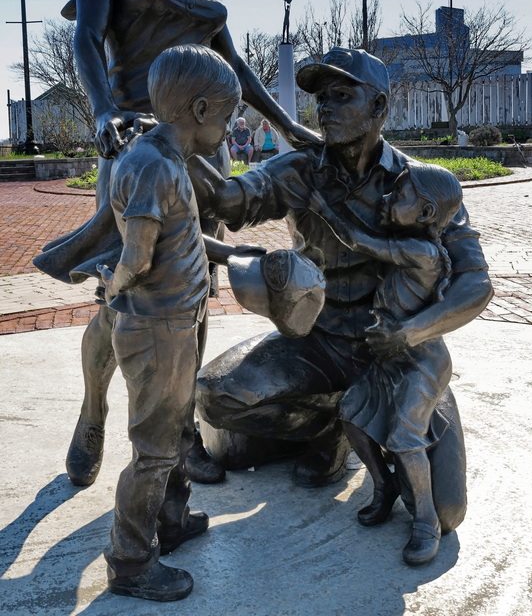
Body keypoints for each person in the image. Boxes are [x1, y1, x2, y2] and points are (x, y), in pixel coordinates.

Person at [33, 0, 318, 490]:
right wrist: (103, 109)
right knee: (121, 296)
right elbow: (85, 35)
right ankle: (94, 410)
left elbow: (235, 66)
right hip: (133, 145)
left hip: (198, 152)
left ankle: (179, 430)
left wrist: (290, 130)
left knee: (191, 298)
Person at [189, 47, 493, 541]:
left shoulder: (423, 185)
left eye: (341, 95)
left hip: (401, 357)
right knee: (217, 398)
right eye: (321, 98)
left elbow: (476, 283)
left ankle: (373, 419)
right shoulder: (299, 170)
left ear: (378, 107)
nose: (325, 107)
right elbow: (229, 199)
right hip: (320, 342)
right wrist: (172, 146)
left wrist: (411, 333)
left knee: (447, 510)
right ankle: (331, 428)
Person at [98, 44, 263, 601]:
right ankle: (129, 560)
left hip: (181, 319)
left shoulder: (171, 162)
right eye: (228, 112)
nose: (232, 125)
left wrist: (237, 254)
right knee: (155, 446)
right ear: (199, 111)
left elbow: (185, 237)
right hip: (157, 327)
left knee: (177, 428)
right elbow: (138, 257)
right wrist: (112, 285)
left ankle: (171, 520)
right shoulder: (149, 166)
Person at [307, 162, 463, 565]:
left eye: (401, 194)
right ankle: (384, 486)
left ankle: (426, 521)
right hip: (390, 358)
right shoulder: (407, 240)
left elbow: (360, 241)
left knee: (405, 438)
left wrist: (322, 206)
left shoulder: (422, 252)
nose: (389, 199)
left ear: (426, 213)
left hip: (421, 360)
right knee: (351, 414)